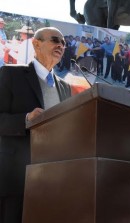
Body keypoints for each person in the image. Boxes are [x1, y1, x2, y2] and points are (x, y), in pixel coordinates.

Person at [0, 27, 72, 223]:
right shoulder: (10, 74)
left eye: (64, 43)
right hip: (16, 177)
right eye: (55, 40)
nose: (61, 46)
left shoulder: (65, 87)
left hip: (52, 178)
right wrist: (25, 119)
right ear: (36, 43)